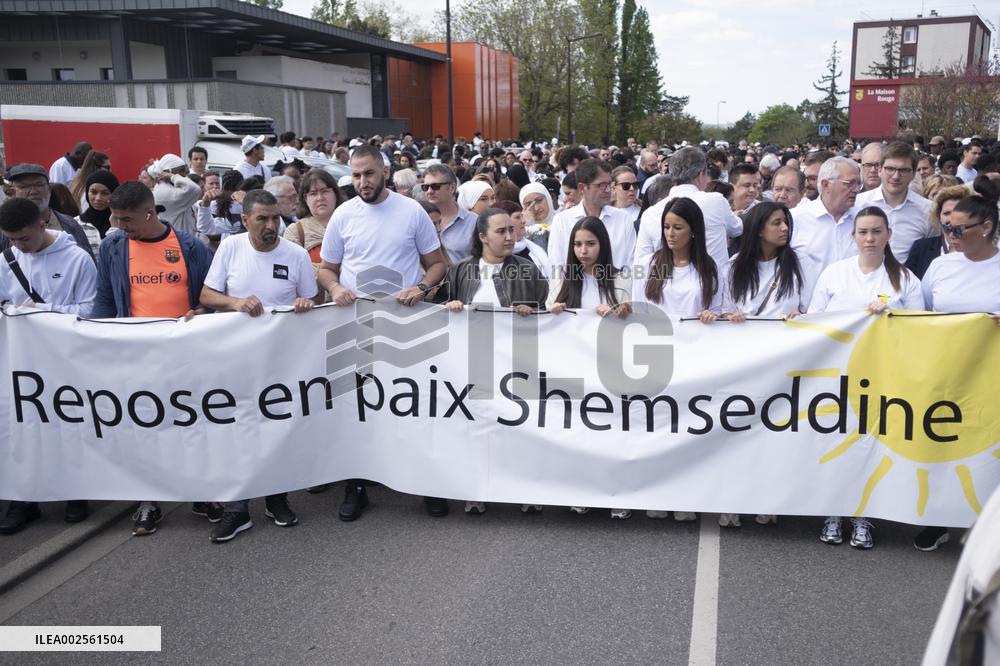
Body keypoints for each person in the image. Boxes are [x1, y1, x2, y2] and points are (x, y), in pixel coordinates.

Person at [317, 144, 449, 520]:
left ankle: (427, 485)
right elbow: (326, 268)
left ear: (384, 172)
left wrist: (422, 287)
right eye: (356, 175)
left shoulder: (411, 212)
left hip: (407, 328)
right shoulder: (343, 215)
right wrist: (335, 287)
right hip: (356, 327)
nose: (362, 182)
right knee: (359, 408)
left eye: (369, 174)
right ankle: (356, 485)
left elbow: (437, 264)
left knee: (414, 405)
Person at [93, 181, 215, 535]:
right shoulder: (113, 246)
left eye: (125, 219)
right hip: (136, 357)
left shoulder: (191, 247)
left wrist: (203, 310)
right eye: (115, 218)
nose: (118, 226)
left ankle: (202, 494)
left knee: (192, 427)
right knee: (144, 430)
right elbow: (104, 297)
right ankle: (149, 500)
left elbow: (213, 293)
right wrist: (96, 338)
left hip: (186, 357)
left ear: (149, 213)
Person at [199, 190, 317, 543]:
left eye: (275, 218)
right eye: (262, 219)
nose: (270, 226)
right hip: (235, 361)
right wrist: (234, 301)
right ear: (245, 220)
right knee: (236, 433)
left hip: (281, 363)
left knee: (276, 430)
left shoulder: (295, 254)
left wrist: (304, 303)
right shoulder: (230, 247)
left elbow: (313, 298)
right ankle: (237, 510)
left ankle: (276, 499)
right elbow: (206, 295)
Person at [811, 206, 924, 549]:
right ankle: (834, 510)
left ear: (889, 234)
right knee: (835, 443)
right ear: (854, 236)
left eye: (877, 231)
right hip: (837, 378)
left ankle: (864, 516)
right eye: (863, 232)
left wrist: (894, 315)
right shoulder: (835, 274)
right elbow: (814, 321)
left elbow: (922, 329)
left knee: (871, 446)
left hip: (883, 378)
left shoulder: (905, 280)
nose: (870, 239)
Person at [438, 208, 549, 515]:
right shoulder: (461, 270)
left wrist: (532, 309)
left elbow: (547, 309)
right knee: (479, 428)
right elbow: (444, 309)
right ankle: (477, 490)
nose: (510, 237)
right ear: (483, 237)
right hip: (475, 363)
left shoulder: (526, 269)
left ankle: (526, 489)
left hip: (516, 362)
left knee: (519, 426)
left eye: (512, 230)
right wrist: (453, 305)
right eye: (501, 232)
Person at [0, 197, 98, 534]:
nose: (18, 246)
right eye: (11, 239)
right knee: (22, 429)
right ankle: (24, 499)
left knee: (67, 425)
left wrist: (43, 311)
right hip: (21, 362)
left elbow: (90, 309)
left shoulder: (77, 259)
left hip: (64, 360)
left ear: (43, 224)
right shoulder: (6, 260)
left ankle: (75, 491)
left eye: (24, 238)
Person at [914, 177, 999, 554]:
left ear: (987, 228)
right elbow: (922, 314)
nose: (951, 234)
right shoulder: (941, 266)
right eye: (947, 227)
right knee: (943, 444)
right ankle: (940, 520)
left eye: (959, 228)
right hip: (946, 375)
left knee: (986, 451)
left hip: (991, 378)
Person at [633, 197, 722, 522]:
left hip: (695, 360)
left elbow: (721, 308)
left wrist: (714, 317)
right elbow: (639, 308)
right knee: (658, 429)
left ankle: (686, 494)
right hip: (658, 357)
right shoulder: (649, 263)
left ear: (693, 231)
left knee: (688, 431)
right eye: (667, 227)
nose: (671, 234)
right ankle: (657, 492)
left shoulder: (709, 269)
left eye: (678, 227)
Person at [547, 217, 632, 518]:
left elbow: (630, 311)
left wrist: (617, 311)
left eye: (590, 243)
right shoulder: (563, 278)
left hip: (611, 365)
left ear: (602, 245)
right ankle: (581, 490)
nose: (583, 250)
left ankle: (617, 494)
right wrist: (554, 310)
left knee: (613, 431)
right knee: (580, 431)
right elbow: (547, 318)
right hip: (574, 367)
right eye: (578, 244)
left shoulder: (620, 277)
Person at [635, 147, 742, 273]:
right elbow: (737, 228)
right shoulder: (716, 201)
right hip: (713, 285)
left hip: (668, 286)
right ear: (702, 174)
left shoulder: (650, 213)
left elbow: (640, 265)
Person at [547, 159, 637, 270]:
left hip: (617, 286)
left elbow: (632, 264)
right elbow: (557, 267)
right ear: (582, 188)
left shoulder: (623, 219)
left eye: (609, 184)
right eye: (602, 185)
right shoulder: (562, 221)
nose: (608, 190)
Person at [854, 142, 931, 263]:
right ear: (880, 170)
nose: (896, 176)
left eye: (903, 170)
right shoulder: (858, 204)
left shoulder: (927, 210)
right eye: (890, 169)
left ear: (913, 173)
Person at [3, 163, 94, 260]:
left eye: (39, 185)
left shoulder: (70, 225)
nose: (33, 191)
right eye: (24, 186)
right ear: (12, 192)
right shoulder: (3, 230)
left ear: (49, 189)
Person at [790, 157, 861, 273]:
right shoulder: (795, 219)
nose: (857, 189)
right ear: (826, 184)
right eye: (850, 184)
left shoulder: (863, 219)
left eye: (859, 183)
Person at [905, 185, 968, 279]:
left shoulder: (979, 248)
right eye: (947, 213)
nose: (951, 218)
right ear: (939, 216)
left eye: (957, 212)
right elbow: (907, 283)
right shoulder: (922, 248)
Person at [420, 164, 478, 264]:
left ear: (452, 188)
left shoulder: (474, 221)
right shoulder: (417, 220)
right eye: (425, 187)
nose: (429, 191)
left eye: (435, 186)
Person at [150, 154, 201, 236]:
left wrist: (173, 176)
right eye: (181, 170)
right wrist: (173, 177)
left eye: (185, 169)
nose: (184, 174)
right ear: (167, 173)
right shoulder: (164, 192)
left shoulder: (173, 187)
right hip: (178, 242)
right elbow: (195, 189)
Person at [75, 170, 120, 255]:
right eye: (93, 192)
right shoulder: (76, 224)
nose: (98, 198)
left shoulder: (123, 224)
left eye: (105, 193)